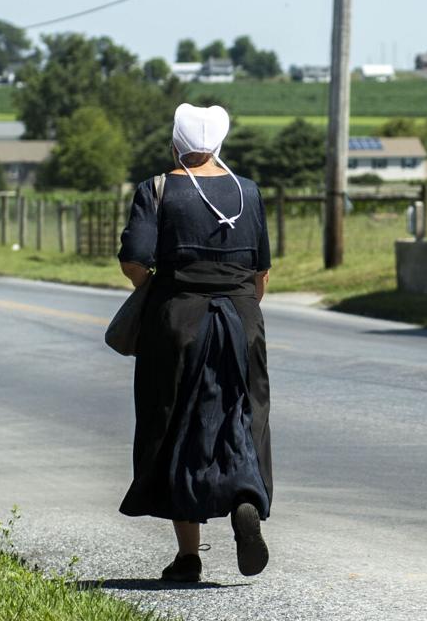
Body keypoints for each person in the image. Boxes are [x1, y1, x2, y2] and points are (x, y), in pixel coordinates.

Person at [117, 103, 273, 583]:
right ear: (220, 144)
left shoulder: (157, 189)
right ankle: (246, 499)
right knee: (241, 416)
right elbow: (261, 272)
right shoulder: (248, 192)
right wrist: (239, 302)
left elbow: (134, 261)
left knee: (175, 424)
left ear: (175, 144)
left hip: (178, 321)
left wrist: (163, 291)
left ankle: (188, 556)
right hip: (242, 318)